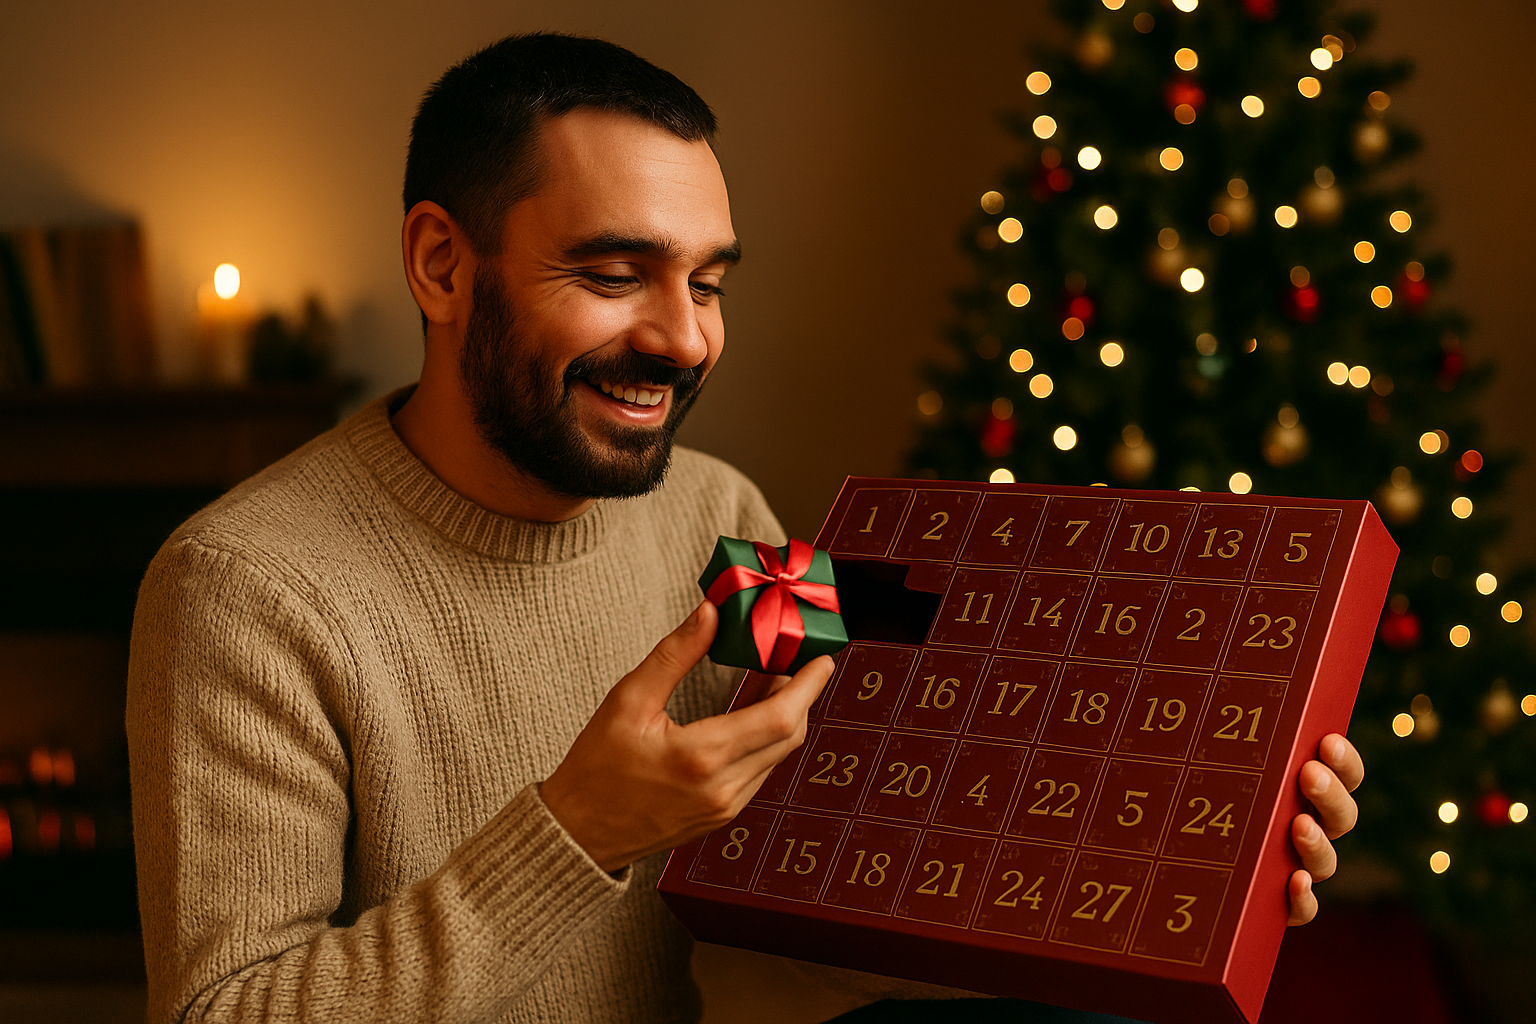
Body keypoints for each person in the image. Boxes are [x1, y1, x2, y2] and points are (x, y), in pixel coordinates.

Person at [126, 32, 1366, 1024]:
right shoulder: (245, 585)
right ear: (444, 267)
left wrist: (1199, 866)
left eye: (709, 282)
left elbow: (844, 887)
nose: (684, 338)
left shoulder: (716, 516)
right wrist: (577, 829)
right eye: (616, 276)